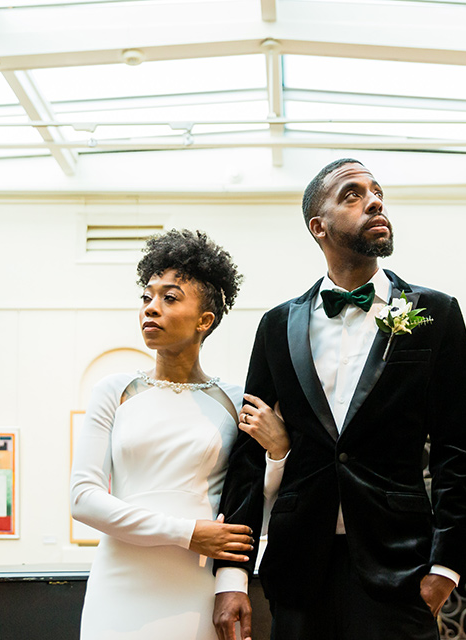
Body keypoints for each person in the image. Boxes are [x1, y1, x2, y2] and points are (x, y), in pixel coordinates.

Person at [213, 159, 466, 640]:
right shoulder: (277, 326)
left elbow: (456, 450)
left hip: (399, 566)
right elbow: (249, 455)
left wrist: (446, 566)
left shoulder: (435, 313)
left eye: (376, 191)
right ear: (319, 226)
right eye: (352, 195)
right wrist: (231, 575)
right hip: (298, 570)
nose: (374, 200)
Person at [70, 229, 289, 640]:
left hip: (198, 588)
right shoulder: (113, 391)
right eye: (147, 297)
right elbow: (83, 500)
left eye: (169, 298)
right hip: (118, 585)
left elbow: (254, 500)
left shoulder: (236, 400)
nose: (150, 308)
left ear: (205, 320)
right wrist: (189, 533)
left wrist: (278, 453)